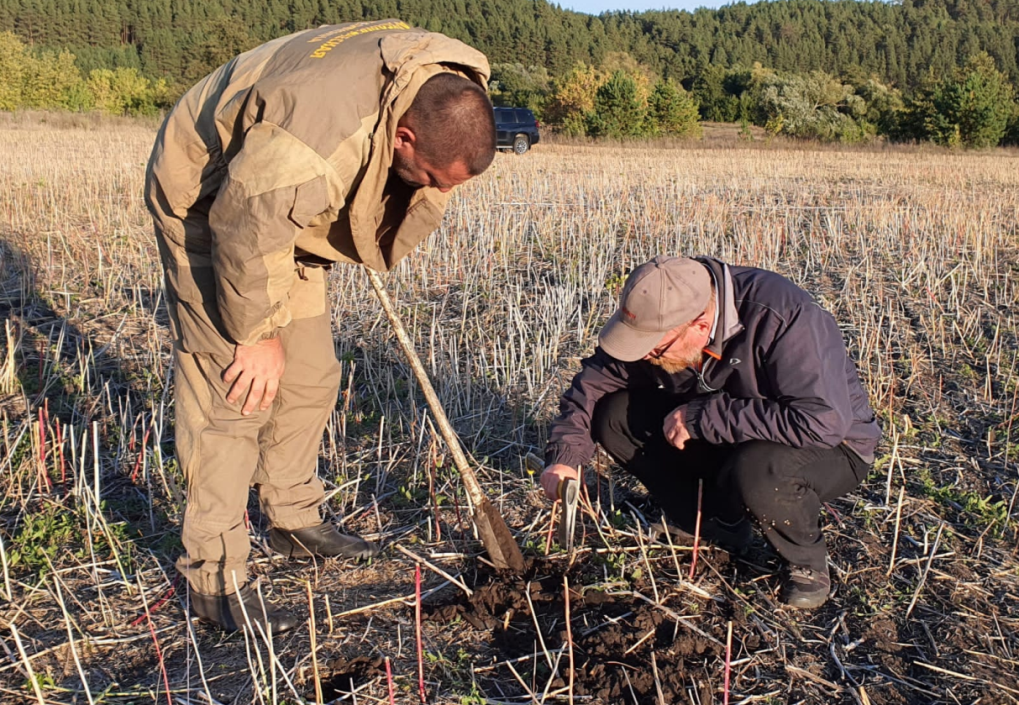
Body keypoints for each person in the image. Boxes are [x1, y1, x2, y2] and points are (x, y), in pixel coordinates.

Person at [144, 19, 497, 632]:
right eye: (434, 180)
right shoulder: (310, 146)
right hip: (212, 200)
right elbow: (245, 230)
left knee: (309, 374)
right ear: (404, 138)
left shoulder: (438, 80)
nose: (439, 195)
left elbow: (315, 199)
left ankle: (293, 518)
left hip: (284, 214)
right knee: (235, 394)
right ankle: (214, 578)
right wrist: (254, 338)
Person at [540, 256, 880, 608]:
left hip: (831, 446)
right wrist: (566, 456)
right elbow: (592, 385)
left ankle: (806, 562)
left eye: (656, 348)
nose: (648, 357)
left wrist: (705, 416)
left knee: (758, 469)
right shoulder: (664, 309)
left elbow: (821, 422)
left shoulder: (783, 315)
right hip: (729, 432)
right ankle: (716, 523)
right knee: (613, 414)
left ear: (700, 325)